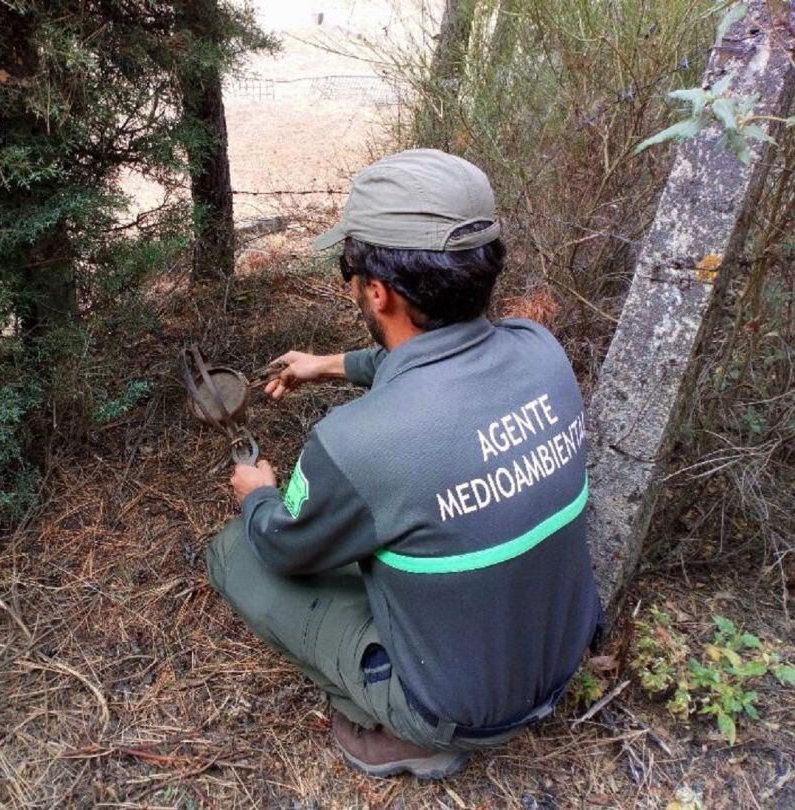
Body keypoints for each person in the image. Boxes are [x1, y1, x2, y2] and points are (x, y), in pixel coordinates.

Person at [205, 149, 602, 780]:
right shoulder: (541, 354)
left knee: (236, 550)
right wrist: (329, 364)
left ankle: (402, 729)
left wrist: (257, 494)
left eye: (350, 272)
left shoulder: (357, 443)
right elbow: (440, 363)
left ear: (378, 292)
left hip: (462, 709)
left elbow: (284, 547)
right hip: (564, 651)